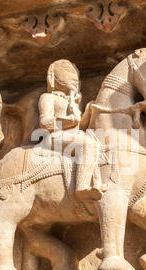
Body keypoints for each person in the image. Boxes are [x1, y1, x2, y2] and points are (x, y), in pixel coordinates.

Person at [38, 59, 102, 200]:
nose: (73, 77)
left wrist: (88, 111)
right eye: (67, 71)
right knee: (88, 144)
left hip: (73, 135)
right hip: (55, 137)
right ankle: (82, 186)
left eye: (75, 74)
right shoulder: (47, 97)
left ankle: (97, 182)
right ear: (54, 77)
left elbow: (79, 124)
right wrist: (72, 118)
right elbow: (45, 122)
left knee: (98, 141)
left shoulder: (72, 101)